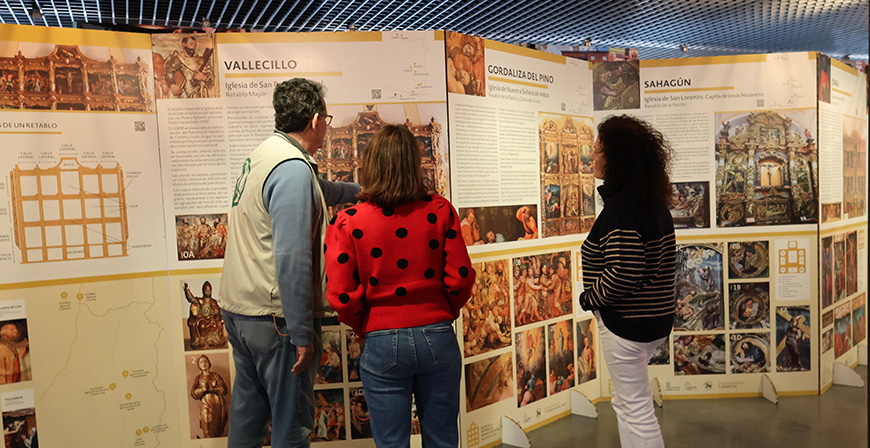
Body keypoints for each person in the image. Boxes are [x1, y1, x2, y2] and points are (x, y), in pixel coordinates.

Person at [218, 78, 360, 447]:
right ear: (315, 120)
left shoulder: (267, 156)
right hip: (276, 321)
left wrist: (361, 192)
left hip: (241, 312)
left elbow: (320, 190)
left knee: (248, 417)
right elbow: (292, 258)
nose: (326, 129)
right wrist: (301, 334)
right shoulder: (293, 169)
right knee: (292, 424)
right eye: (326, 120)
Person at [325, 124, 475, 448]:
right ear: (414, 163)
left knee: (391, 443)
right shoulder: (440, 211)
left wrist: (364, 324)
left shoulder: (348, 221)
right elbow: (461, 277)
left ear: (371, 165)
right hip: (437, 332)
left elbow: (339, 295)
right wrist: (443, 310)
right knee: (444, 439)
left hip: (381, 339)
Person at [577, 115, 676, 448]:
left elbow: (624, 272)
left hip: (627, 325)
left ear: (615, 156)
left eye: (598, 150)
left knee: (634, 409)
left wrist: (589, 298)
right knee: (628, 403)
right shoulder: (653, 204)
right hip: (653, 322)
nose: (592, 156)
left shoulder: (622, 209)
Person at [190, 355, 229, 438]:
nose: (204, 364)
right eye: (201, 362)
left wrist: (213, 389)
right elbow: (193, 393)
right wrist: (203, 389)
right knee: (207, 425)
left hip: (218, 406)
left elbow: (224, 389)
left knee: (217, 428)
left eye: (205, 361)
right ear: (199, 365)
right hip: (205, 405)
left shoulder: (215, 376)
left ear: (209, 363)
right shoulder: (199, 378)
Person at [184, 281, 226, 350]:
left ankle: (211, 340)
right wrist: (187, 290)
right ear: (203, 291)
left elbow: (218, 310)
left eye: (209, 290)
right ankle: (202, 340)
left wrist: (215, 311)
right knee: (202, 325)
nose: (208, 292)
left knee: (215, 325)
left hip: (211, 319)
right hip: (202, 319)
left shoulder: (213, 301)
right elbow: (191, 299)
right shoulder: (200, 301)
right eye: (206, 290)